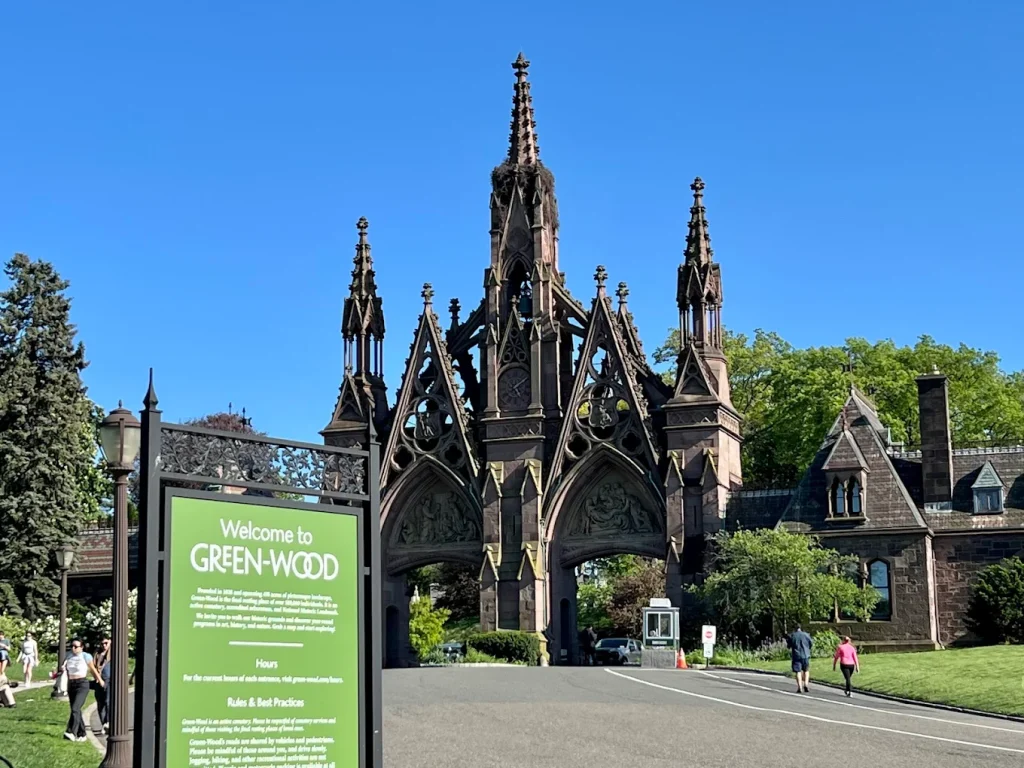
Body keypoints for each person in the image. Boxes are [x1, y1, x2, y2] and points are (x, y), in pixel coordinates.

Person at [62, 638, 101, 742]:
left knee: (75, 708)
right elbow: (64, 668)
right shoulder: (68, 655)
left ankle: (71, 732)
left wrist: (99, 680)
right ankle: (82, 734)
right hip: (71, 683)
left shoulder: (85, 656)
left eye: (76, 646)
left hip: (82, 684)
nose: (73, 648)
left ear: (82, 647)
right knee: (76, 710)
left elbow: (93, 669)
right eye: (72, 646)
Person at [787, 624, 814, 693]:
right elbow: (811, 643)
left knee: (798, 671)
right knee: (806, 670)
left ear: (795, 629)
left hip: (796, 656)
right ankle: (806, 684)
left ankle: (800, 687)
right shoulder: (806, 635)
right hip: (805, 655)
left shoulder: (792, 636)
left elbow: (789, 645)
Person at [93, 636, 111, 733]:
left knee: (108, 702)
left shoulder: (113, 653)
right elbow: (94, 666)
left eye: (106, 643)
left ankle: (108, 722)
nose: (104, 645)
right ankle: (104, 723)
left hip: (109, 680)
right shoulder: (97, 653)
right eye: (102, 643)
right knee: (100, 703)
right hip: (99, 680)